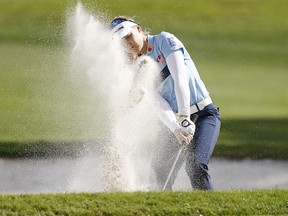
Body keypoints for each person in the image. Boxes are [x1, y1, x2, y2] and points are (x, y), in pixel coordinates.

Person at [110, 16, 221, 190]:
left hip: (204, 114)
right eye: (121, 41)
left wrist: (185, 116)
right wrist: (176, 127)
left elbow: (180, 79)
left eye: (128, 36)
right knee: (158, 174)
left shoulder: (164, 40)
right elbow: (157, 102)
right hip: (175, 120)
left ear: (138, 29)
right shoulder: (137, 68)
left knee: (196, 168)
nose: (127, 43)